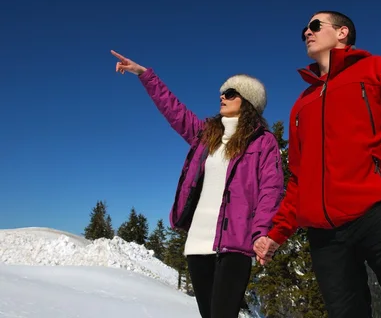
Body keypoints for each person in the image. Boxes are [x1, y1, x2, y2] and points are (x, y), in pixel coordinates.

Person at [253, 11, 381, 317]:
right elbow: (299, 180)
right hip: (325, 236)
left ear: (342, 32)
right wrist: (276, 234)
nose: (306, 33)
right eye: (303, 31)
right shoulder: (301, 104)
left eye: (314, 26)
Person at [111, 50, 284, 318]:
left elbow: (270, 190)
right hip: (198, 243)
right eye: (222, 93)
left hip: (235, 243)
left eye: (230, 93)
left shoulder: (263, 142)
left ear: (248, 100)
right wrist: (145, 75)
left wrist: (261, 231)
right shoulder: (206, 134)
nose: (222, 97)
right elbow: (174, 111)